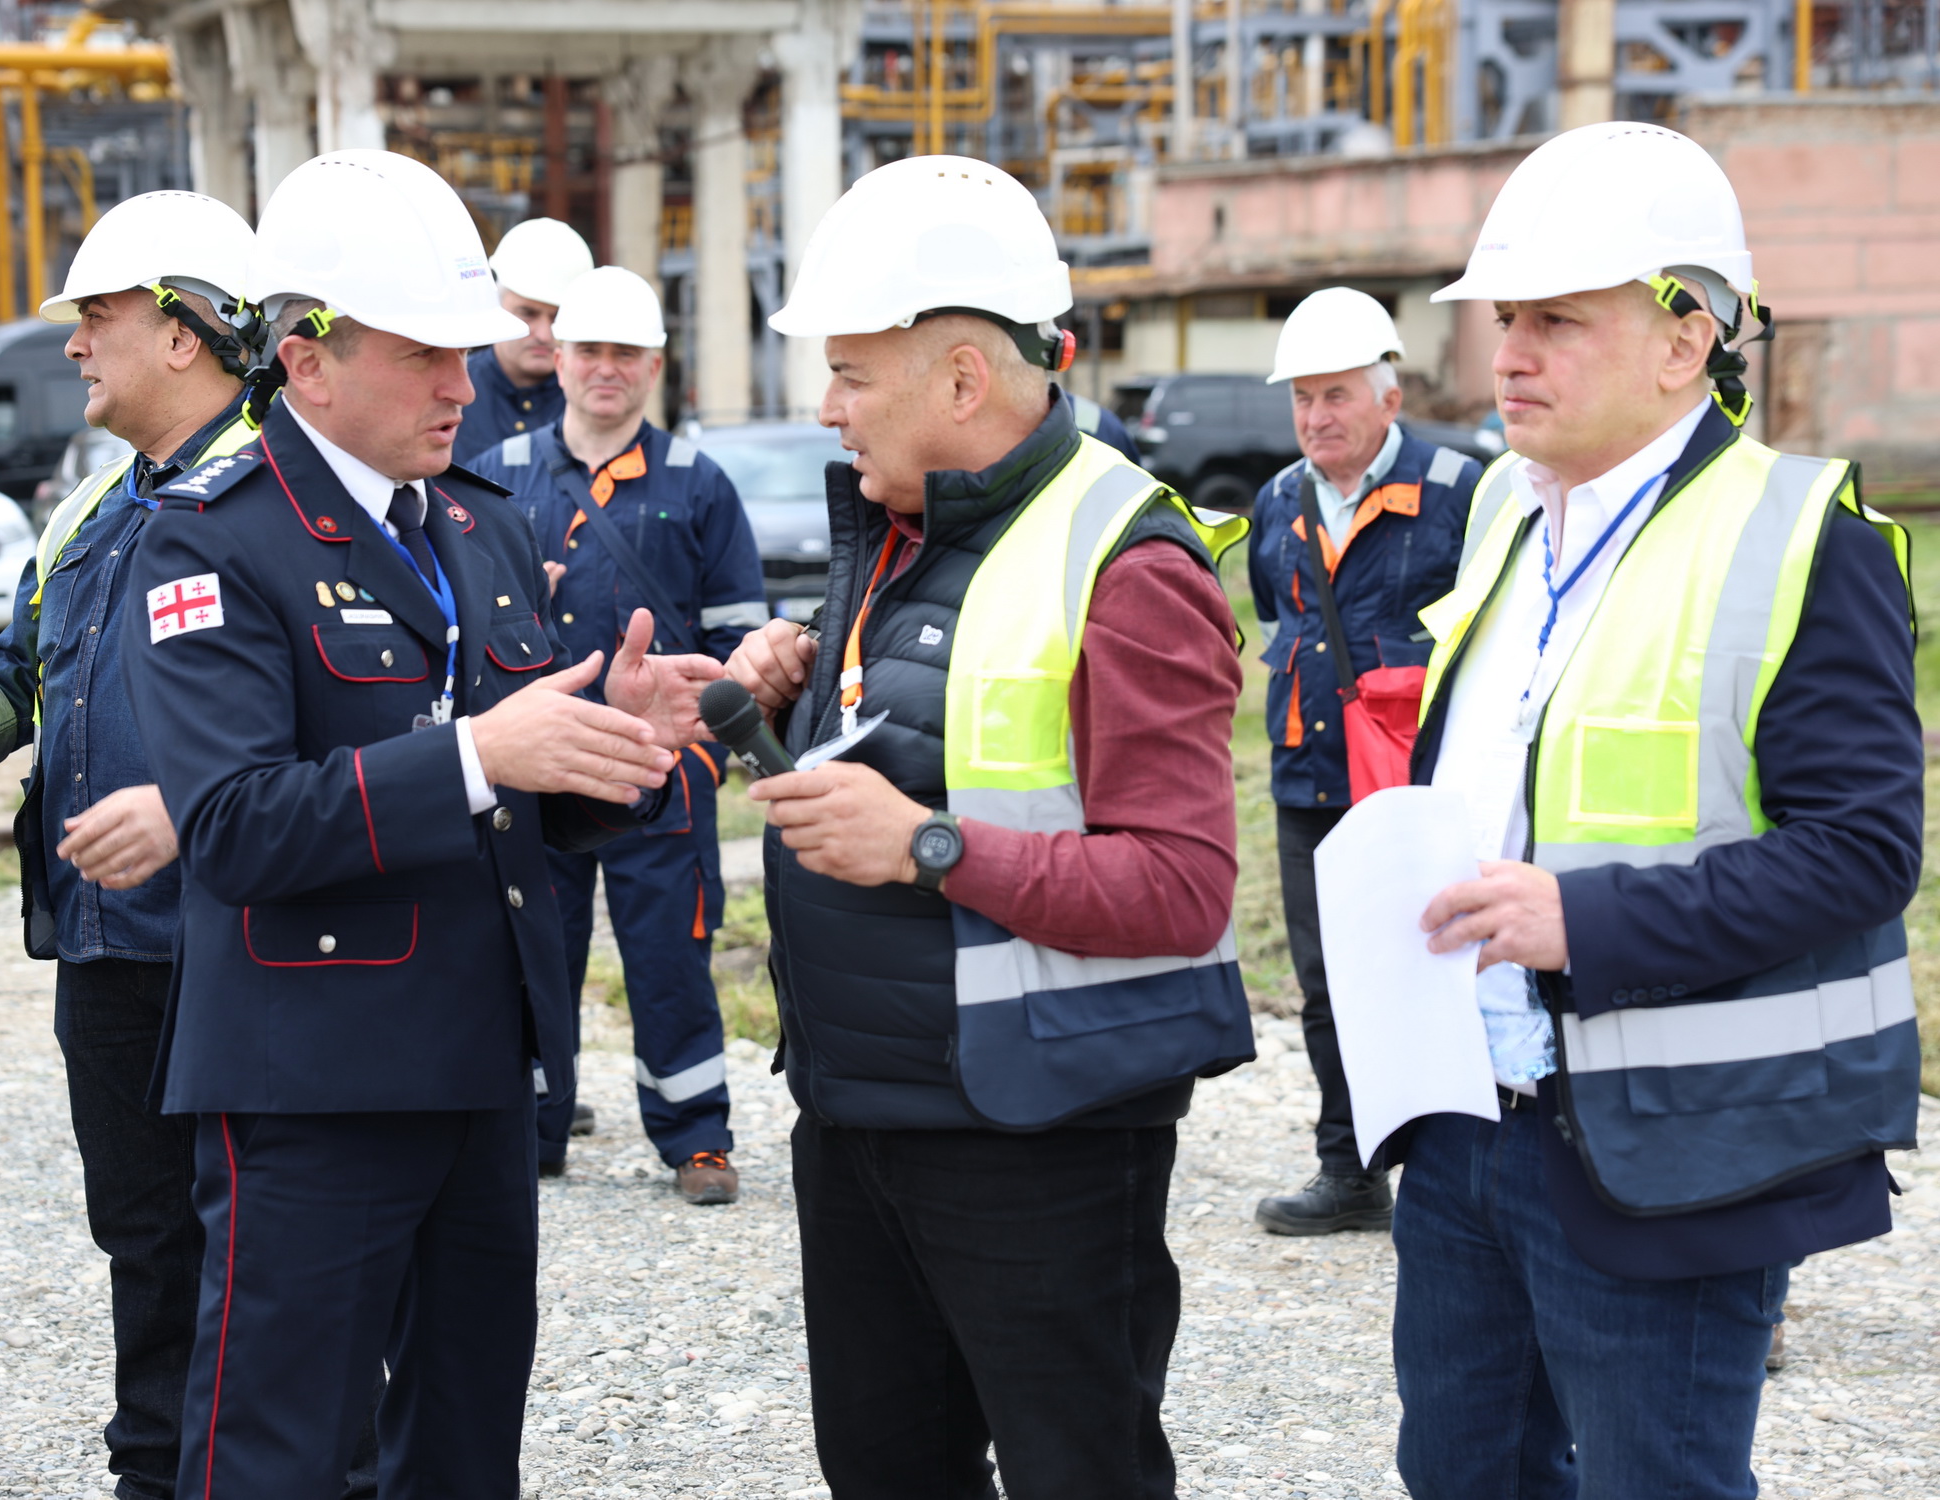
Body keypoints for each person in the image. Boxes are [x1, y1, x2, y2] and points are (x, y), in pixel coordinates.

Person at [121, 150, 720, 1498]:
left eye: (464, 350)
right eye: (424, 354)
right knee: (277, 1451)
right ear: (307, 360)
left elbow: (516, 803)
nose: (463, 383)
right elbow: (232, 828)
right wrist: (478, 756)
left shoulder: (475, 525)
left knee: (461, 1448)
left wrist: (609, 749)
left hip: (478, 1064)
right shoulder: (212, 536)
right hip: (311, 1082)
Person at [1394, 121, 1921, 1498]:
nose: (1509, 355)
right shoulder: (1505, 514)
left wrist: (1586, 921)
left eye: (1556, 321)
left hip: (1668, 1145)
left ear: (1686, 339)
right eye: (1505, 320)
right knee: (1457, 1474)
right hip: (1465, 1122)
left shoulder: (1804, 538)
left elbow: (1864, 851)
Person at [0, 191, 380, 1500]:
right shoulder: (89, 509)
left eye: (96, 316)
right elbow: (22, 674)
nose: (74, 344)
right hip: (110, 952)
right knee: (146, 1244)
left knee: (278, 1256)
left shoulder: (297, 494)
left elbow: (353, 725)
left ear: (186, 333)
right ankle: (156, 1474)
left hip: (252, 948)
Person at [727, 155, 1253, 1500]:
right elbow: (912, 745)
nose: (827, 409)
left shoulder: (1126, 562)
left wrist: (925, 848)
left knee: (1079, 1472)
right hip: (859, 1113)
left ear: (962, 379)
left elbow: (1183, 888)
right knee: (885, 1468)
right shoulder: (900, 526)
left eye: (849, 375)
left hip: (1040, 1138)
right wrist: (767, 707)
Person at [465, 265, 766, 1202]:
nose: (606, 367)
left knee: (671, 955)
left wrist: (706, 753)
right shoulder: (496, 476)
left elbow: (739, 637)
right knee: (532, 956)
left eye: (626, 353)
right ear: (558, 359)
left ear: (654, 366)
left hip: (659, 772)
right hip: (539, 767)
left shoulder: (698, 483)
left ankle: (696, 1138)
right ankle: (532, 1132)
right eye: (590, 349)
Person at [1245, 288, 1480, 1236]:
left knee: (1438, 967)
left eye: (1336, 394)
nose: (1316, 417)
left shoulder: (1459, 490)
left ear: (1390, 397)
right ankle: (1350, 1171)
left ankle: (1452, 1176)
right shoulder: (1278, 500)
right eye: (1303, 398)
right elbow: (1276, 612)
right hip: (1309, 773)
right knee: (1327, 981)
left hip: (1419, 780)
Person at [455, 217, 595, 461]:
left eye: (557, 317)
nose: (544, 335)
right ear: (495, 302)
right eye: (527, 313)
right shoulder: (451, 390)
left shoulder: (595, 401)